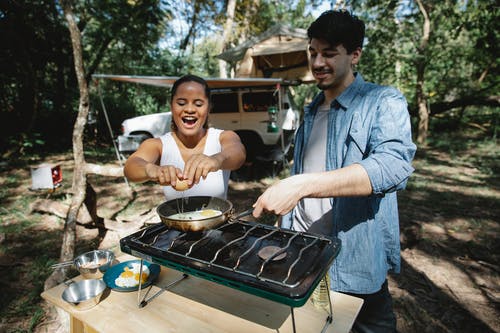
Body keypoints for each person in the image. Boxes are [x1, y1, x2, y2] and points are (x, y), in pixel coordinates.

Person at [252, 10, 416, 333]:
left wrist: (302, 185)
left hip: (354, 265)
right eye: (313, 52)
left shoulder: (383, 101)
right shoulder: (311, 110)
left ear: (355, 55)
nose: (317, 63)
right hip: (304, 257)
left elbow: (394, 165)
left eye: (329, 53)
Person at [124, 74, 246, 200]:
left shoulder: (222, 137)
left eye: (198, 104)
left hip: (218, 219)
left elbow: (238, 153)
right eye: (181, 103)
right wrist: (150, 170)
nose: (189, 109)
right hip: (174, 220)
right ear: (171, 106)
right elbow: (130, 168)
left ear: (209, 108)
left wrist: (217, 159)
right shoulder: (158, 145)